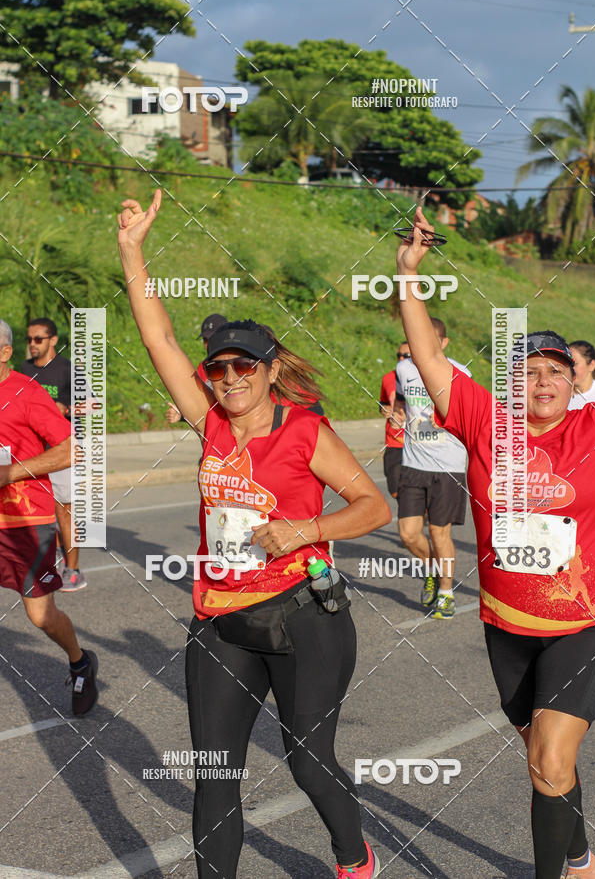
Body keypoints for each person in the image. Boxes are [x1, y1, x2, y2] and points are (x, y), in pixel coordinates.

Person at [117, 190, 390, 879]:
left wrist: (307, 529)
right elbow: (159, 338)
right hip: (219, 618)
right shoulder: (208, 423)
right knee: (214, 776)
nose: (231, 378)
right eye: (220, 369)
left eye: (245, 366)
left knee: (306, 759)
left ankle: (354, 857)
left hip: (302, 616)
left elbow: (371, 508)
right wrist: (131, 250)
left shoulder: (304, 432)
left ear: (270, 370)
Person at [396, 206, 595, 879]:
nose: (542, 383)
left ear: (577, 384)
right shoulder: (488, 423)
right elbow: (427, 357)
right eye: (530, 372)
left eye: (556, 372)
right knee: (541, 757)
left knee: (548, 759)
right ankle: (579, 856)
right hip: (506, 625)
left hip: (582, 624)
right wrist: (408, 274)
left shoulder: (593, 430)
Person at [0, 319, 98, 715]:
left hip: (25, 520)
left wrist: (12, 473)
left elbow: (69, 450)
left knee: (40, 615)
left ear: (5, 353)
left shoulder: (27, 392)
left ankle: (80, 661)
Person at [395, 317, 470, 619]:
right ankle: (432, 570)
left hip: (448, 466)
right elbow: (402, 402)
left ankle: (446, 593)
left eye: (432, 339)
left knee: (440, 533)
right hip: (413, 463)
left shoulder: (460, 372)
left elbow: (468, 415)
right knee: (408, 534)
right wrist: (398, 415)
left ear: (444, 343)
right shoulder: (403, 369)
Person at [20, 318, 86, 591]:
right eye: (30, 339)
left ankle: (74, 571)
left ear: (53, 340)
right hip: (34, 453)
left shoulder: (68, 370)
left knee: (64, 513)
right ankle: (55, 559)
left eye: (39, 339)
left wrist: (67, 409)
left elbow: (92, 404)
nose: (33, 344)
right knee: (43, 513)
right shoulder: (23, 369)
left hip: (62, 451)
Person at [166, 313, 228, 423]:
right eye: (205, 339)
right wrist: (181, 415)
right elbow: (201, 404)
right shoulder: (203, 367)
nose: (207, 344)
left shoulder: (239, 365)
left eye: (212, 339)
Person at [379, 342, 408, 498]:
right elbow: (383, 403)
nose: (401, 358)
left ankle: (417, 514)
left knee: (414, 492)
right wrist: (384, 410)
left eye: (406, 355)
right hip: (394, 442)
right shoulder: (388, 378)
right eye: (399, 355)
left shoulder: (423, 379)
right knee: (395, 489)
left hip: (417, 443)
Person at [568, 341, 595, 410]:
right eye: (567, 364)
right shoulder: (559, 394)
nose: (569, 369)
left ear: (592, 365)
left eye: (574, 364)